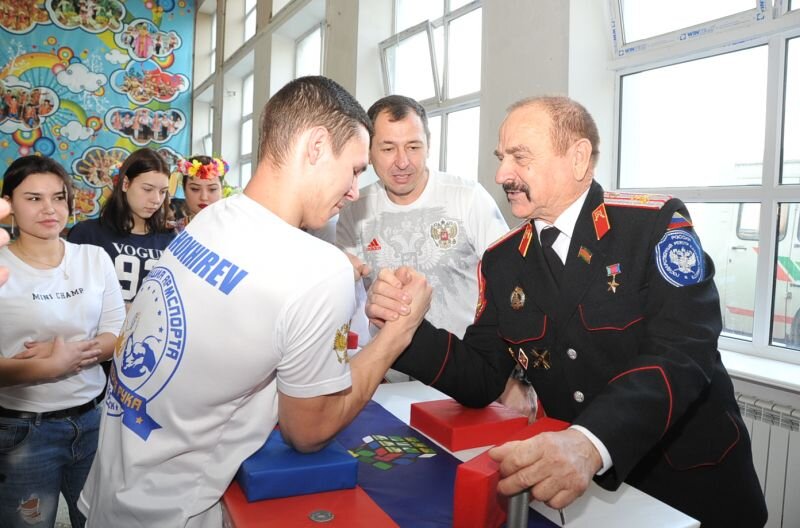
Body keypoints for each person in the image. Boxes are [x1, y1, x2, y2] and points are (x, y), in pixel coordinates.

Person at [366, 96, 767, 528]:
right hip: (586, 496)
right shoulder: (503, 261)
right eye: (502, 159)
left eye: (521, 158)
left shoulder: (652, 226)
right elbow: (483, 376)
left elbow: (683, 351)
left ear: (578, 158)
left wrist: (589, 443)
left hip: (685, 486)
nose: (502, 174)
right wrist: (405, 328)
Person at [78, 76, 431, 527]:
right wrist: (398, 332)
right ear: (317, 146)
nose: (354, 190)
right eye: (356, 168)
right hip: (173, 511)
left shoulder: (213, 218)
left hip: (114, 488)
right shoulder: (318, 270)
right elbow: (309, 431)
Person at [336, 94, 535, 414]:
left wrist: (512, 378)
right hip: (390, 380)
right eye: (388, 148)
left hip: (466, 380)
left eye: (414, 147)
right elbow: (351, 300)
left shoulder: (467, 199)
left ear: (429, 145)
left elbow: (513, 288)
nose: (403, 161)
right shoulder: (354, 209)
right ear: (369, 153)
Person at [0, 155, 125, 527]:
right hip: (22, 431)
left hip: (93, 421)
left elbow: (117, 334)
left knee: (99, 520)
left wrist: (67, 356)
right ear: (8, 205)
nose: (49, 209)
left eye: (58, 197)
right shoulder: (4, 269)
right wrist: (49, 365)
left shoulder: (93, 258)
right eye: (33, 198)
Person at [68, 148, 175, 303]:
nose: (156, 199)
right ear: (125, 184)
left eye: (163, 191)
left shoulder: (169, 239)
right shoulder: (87, 234)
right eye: (147, 189)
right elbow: (71, 295)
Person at [173, 155, 229, 232]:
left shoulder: (238, 228)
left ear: (222, 189)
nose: (204, 197)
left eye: (212, 189)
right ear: (184, 190)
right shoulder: (172, 233)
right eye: (195, 189)